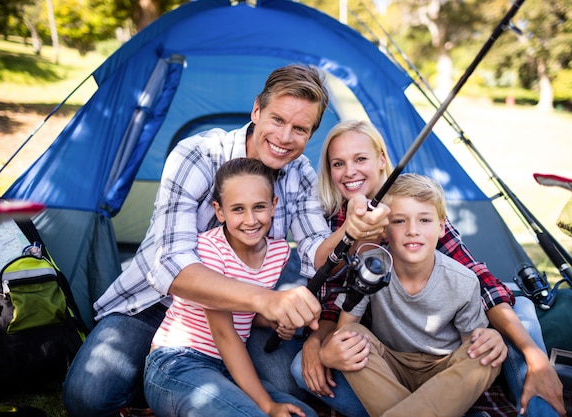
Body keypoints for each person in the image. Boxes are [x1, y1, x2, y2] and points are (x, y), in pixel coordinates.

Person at [62, 65, 390, 417]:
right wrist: (267, 300)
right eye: (277, 119)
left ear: (310, 134)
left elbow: (316, 253)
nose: (284, 137)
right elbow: (170, 267)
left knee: (291, 384)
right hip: (152, 304)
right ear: (256, 110)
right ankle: (171, 381)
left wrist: (350, 230)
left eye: (300, 129)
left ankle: (197, 390)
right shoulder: (198, 154)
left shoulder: (300, 174)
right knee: (88, 397)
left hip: (240, 317)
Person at [290, 120, 565, 417]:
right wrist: (317, 342)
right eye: (338, 163)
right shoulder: (335, 222)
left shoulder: (413, 204)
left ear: (382, 159)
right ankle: (444, 407)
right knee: (302, 366)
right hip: (385, 349)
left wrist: (534, 355)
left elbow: (479, 279)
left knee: (516, 320)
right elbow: (333, 303)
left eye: (360, 159)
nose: (349, 171)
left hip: (439, 346)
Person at [144, 158, 316, 417]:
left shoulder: (279, 252)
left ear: (274, 206)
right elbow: (224, 334)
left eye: (259, 207)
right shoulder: (210, 251)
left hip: (227, 368)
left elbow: (246, 314)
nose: (250, 220)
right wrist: (267, 405)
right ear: (219, 211)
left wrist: (272, 319)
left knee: (302, 414)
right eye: (238, 209)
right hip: (178, 362)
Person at [336, 173, 501, 417]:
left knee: (487, 350)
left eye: (424, 220)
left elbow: (470, 347)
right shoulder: (371, 267)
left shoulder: (463, 280)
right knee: (351, 338)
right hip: (392, 366)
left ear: (442, 226)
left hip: (444, 371)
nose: (412, 230)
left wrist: (489, 339)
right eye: (399, 221)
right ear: (384, 228)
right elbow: (344, 331)